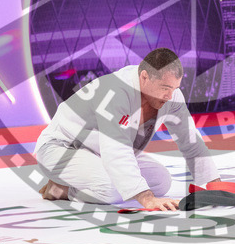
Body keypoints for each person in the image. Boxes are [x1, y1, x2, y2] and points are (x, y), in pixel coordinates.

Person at [35, 49, 220, 209]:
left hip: (98, 150)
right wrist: (146, 198)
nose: (170, 95)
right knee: (112, 188)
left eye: (175, 88)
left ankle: (83, 180)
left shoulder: (172, 96)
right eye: (165, 88)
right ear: (144, 77)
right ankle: (62, 189)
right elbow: (116, 150)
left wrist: (214, 184)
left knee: (161, 180)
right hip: (60, 148)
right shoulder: (116, 92)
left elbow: (191, 141)